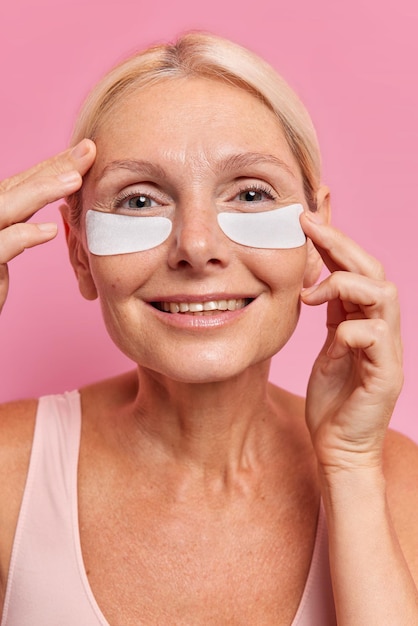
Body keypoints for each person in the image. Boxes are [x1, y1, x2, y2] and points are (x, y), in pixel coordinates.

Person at [0, 31, 417, 626]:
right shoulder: (7, 472)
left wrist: (350, 468)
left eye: (250, 192)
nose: (196, 247)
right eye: (140, 202)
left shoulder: (398, 486)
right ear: (80, 254)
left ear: (313, 237)